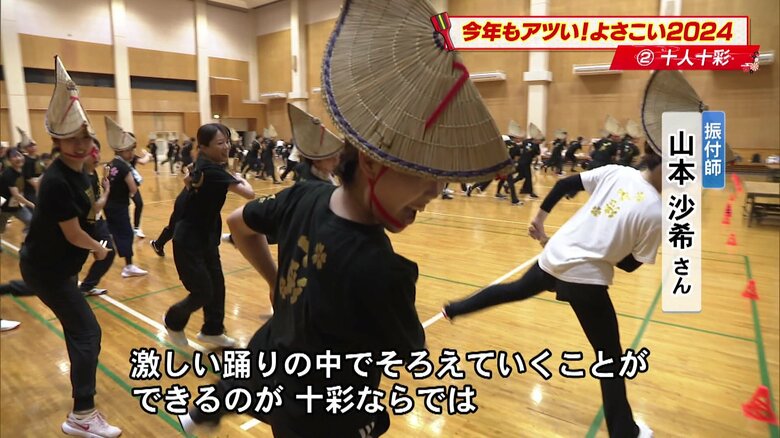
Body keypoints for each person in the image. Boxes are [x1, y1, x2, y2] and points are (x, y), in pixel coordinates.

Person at [178, 0, 513, 434]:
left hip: (279, 374)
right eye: (423, 174)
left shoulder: (303, 197)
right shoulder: (385, 271)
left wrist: (275, 281)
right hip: (326, 414)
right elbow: (409, 353)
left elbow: (238, 222)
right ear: (371, 163)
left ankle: (202, 414)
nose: (435, 191)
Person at [442, 150, 662, 438]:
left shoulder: (618, 172)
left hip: (556, 255)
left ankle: (454, 308)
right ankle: (624, 432)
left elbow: (564, 185)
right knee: (610, 357)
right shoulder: (656, 211)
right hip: (585, 279)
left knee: (516, 290)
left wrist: (539, 220)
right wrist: (608, 244)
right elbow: (631, 265)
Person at [19, 55, 121, 437]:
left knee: (78, 328)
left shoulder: (81, 174)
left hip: (56, 267)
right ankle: (82, 415)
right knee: (86, 333)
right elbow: (74, 233)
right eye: (71, 139)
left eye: (85, 138)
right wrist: (98, 248)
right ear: (57, 142)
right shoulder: (58, 180)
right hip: (48, 269)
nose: (79, 145)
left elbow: (88, 211)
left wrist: (101, 198)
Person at [162, 123, 254, 348]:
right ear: (203, 147)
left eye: (227, 141)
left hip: (206, 237)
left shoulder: (204, 166)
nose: (227, 147)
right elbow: (249, 193)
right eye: (220, 143)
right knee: (203, 292)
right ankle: (173, 321)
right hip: (189, 242)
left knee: (217, 287)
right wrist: (239, 177)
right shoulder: (212, 171)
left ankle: (213, 330)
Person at [104, 117, 148, 278]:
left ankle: (101, 252)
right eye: (129, 150)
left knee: (111, 231)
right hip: (120, 206)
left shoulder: (109, 164)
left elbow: (104, 184)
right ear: (122, 151)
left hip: (108, 205)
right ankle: (128, 266)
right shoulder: (124, 167)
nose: (132, 153)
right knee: (126, 234)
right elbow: (133, 189)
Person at [79, 141, 115, 296]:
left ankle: (86, 287)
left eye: (98, 152)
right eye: (92, 152)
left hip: (97, 221)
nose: (96, 156)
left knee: (108, 252)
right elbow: (95, 207)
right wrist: (107, 190)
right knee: (75, 261)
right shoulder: (81, 178)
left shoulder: (92, 172)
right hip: (82, 225)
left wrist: (103, 184)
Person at [0, 148, 35, 237]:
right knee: (1, 229)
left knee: (30, 220)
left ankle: (26, 240)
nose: (18, 158)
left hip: (17, 206)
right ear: (9, 160)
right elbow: (16, 195)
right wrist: (31, 204)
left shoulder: (21, 170)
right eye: (14, 156)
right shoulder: (8, 174)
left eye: (20, 155)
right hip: (4, 208)